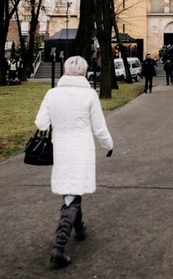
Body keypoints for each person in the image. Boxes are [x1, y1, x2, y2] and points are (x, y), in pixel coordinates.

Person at [35, 56, 113, 268]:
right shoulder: (89, 95)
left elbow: (41, 123)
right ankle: (59, 248)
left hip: (61, 147)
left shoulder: (52, 93)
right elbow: (99, 127)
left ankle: (79, 228)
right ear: (84, 72)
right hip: (81, 148)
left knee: (71, 189)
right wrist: (108, 145)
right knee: (73, 191)